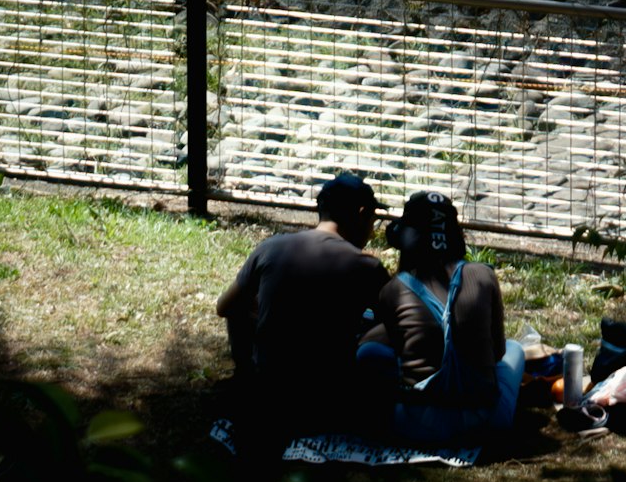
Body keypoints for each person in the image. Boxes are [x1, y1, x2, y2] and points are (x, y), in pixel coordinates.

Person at [358, 191, 587, 451]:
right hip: (483, 423)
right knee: (513, 348)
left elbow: (388, 347)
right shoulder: (481, 275)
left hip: (413, 425)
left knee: (369, 351)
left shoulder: (394, 289)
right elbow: (498, 352)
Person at [215, 172, 387, 454]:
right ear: (362, 213)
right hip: (325, 403)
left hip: (268, 396)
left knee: (242, 306)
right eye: (373, 221)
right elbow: (399, 321)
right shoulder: (366, 267)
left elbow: (225, 307)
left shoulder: (271, 246)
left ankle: (245, 380)